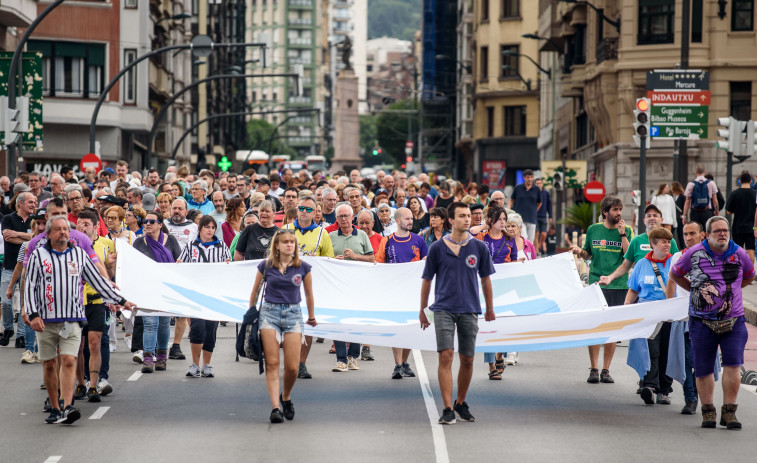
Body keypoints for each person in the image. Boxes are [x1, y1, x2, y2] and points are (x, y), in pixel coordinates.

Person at [25, 216, 134, 424]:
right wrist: (32, 315)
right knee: (49, 364)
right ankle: (55, 407)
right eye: (57, 229)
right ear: (48, 234)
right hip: (45, 319)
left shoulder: (79, 255)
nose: (63, 233)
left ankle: (68, 405)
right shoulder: (38, 256)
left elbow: (97, 280)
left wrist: (121, 300)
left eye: (65, 229)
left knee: (68, 360)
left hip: (72, 318)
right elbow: (30, 286)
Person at [670, 216, 755, 430]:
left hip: (733, 320)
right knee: (703, 368)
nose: (722, 234)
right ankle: (708, 411)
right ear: (707, 234)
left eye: (725, 230)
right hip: (701, 321)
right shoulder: (693, 253)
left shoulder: (739, 253)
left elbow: (749, 276)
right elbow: (675, 273)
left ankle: (729, 412)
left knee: (733, 365)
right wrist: (694, 289)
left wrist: (732, 291)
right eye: (717, 230)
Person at [420, 202, 495, 424]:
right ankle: (447, 408)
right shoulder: (436, 248)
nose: (467, 219)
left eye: (468, 216)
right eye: (462, 216)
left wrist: (490, 308)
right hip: (443, 308)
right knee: (446, 355)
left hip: (470, 309)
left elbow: (486, 280)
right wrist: (423, 310)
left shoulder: (479, 248)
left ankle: (461, 402)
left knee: (468, 359)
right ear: (450, 220)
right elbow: (426, 280)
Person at [251, 230, 317, 423]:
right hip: (268, 314)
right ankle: (275, 407)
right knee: (272, 363)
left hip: (293, 314)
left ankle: (285, 396)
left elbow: (309, 294)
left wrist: (311, 316)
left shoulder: (303, 267)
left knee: (292, 367)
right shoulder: (265, 265)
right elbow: (255, 291)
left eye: (292, 242)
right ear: (277, 246)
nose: (289, 245)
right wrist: (250, 312)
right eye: (285, 242)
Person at [571, 195, 632, 384]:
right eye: (615, 210)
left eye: (620, 210)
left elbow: (629, 256)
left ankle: (606, 369)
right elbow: (588, 252)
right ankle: (594, 369)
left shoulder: (627, 230)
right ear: (605, 212)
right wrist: (579, 251)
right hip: (596, 283)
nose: (619, 213)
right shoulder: (593, 230)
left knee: (612, 328)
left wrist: (622, 234)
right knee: (595, 326)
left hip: (618, 284)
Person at [281, 196, 334, 379]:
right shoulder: (286, 229)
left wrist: (316, 259)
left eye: (309, 209)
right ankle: (290, 362)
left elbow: (329, 260)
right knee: (289, 327)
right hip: (286, 286)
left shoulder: (322, 233)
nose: (304, 212)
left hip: (310, 287)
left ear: (315, 213)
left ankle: (301, 363)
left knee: (308, 326)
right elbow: (273, 254)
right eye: (302, 208)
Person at [376, 207, 428, 379]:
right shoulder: (387, 241)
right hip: (394, 292)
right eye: (406, 219)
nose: (410, 221)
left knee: (410, 329)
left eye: (411, 218)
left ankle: (405, 362)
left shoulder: (419, 240)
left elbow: (426, 263)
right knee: (396, 328)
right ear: (397, 221)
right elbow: (379, 265)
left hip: (414, 292)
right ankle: (397, 364)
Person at [625, 227, 675, 406]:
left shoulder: (675, 263)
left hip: (670, 315)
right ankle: (650, 386)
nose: (667, 244)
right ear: (653, 244)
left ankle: (664, 390)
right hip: (648, 315)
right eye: (663, 241)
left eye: (668, 241)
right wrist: (626, 309)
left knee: (667, 352)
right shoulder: (641, 265)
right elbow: (633, 289)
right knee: (650, 351)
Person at [178, 216, 231, 378]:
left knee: (210, 330)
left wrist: (227, 266)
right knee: (197, 329)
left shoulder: (221, 246)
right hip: (196, 295)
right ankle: (194, 363)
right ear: (200, 228)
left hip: (214, 295)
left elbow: (229, 268)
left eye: (213, 227)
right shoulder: (190, 246)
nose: (210, 230)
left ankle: (207, 364)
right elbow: (180, 265)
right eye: (207, 227)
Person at [74, 210, 116, 403]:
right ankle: (80, 383)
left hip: (97, 301)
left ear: (95, 226)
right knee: (79, 345)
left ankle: (93, 385)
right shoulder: (72, 245)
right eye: (79, 223)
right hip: (76, 302)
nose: (82, 227)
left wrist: (111, 296)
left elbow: (106, 271)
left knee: (95, 343)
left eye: (86, 224)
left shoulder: (104, 244)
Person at [133, 211, 182, 373]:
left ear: (160, 224)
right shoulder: (139, 243)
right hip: (147, 288)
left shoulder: (171, 240)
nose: (147, 224)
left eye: (152, 222)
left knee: (163, 324)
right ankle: (148, 359)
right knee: (150, 323)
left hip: (166, 288)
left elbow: (179, 263)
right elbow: (134, 266)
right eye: (145, 221)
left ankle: (161, 358)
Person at [665, 221, 706, 415]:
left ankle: (698, 390)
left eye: (692, 233)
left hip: (705, 317)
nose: (688, 237)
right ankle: (690, 397)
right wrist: (668, 308)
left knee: (700, 359)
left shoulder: (709, 256)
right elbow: (671, 283)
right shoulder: (677, 257)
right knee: (685, 359)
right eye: (685, 234)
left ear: (702, 235)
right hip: (682, 316)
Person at [329, 204, 375, 372]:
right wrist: (334, 259)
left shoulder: (362, 235)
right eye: (340, 216)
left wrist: (354, 256)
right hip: (337, 286)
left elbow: (372, 259)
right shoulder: (331, 235)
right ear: (336, 219)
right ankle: (341, 359)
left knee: (356, 320)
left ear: (352, 217)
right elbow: (324, 260)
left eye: (346, 216)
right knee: (338, 321)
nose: (343, 219)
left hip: (358, 286)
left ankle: (353, 357)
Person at [474, 206, 516, 379]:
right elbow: (469, 232)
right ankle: (492, 366)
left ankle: (501, 355)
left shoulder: (509, 239)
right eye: (499, 219)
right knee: (489, 324)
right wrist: (483, 226)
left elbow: (513, 261)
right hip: (485, 285)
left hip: (505, 287)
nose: (503, 222)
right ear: (490, 220)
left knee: (505, 322)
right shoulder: (481, 237)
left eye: (504, 219)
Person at [1, 191, 37, 346]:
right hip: (9, 266)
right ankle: (8, 328)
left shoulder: (35, 220)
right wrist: (28, 237)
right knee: (5, 301)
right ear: (20, 203)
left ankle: (21, 336)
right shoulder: (8, 218)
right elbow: (7, 237)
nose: (34, 205)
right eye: (31, 202)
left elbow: (37, 237)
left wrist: (17, 234)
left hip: (28, 267)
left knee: (24, 302)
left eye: (35, 202)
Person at [725, 171, 756, 263]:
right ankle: (750, 273)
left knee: (737, 250)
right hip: (751, 227)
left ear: (740, 181)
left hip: (738, 227)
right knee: (751, 249)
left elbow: (729, 211)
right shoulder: (755, 194)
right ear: (751, 181)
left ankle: (739, 271)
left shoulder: (735, 193)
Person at [508, 170, 541, 242]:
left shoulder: (536, 189)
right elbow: (511, 200)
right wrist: (509, 210)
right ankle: (522, 252)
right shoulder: (518, 188)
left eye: (531, 177)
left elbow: (540, 202)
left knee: (530, 240)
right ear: (524, 178)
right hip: (519, 218)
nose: (529, 179)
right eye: (528, 177)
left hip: (532, 218)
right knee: (523, 237)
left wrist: (535, 211)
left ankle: (529, 253)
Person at [534, 178, 552, 256]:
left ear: (542, 184)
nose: (538, 185)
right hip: (535, 216)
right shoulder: (533, 192)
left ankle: (540, 246)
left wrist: (550, 216)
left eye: (540, 183)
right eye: (537, 183)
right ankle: (536, 250)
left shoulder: (546, 193)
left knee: (544, 234)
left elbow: (549, 205)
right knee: (536, 233)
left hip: (544, 216)